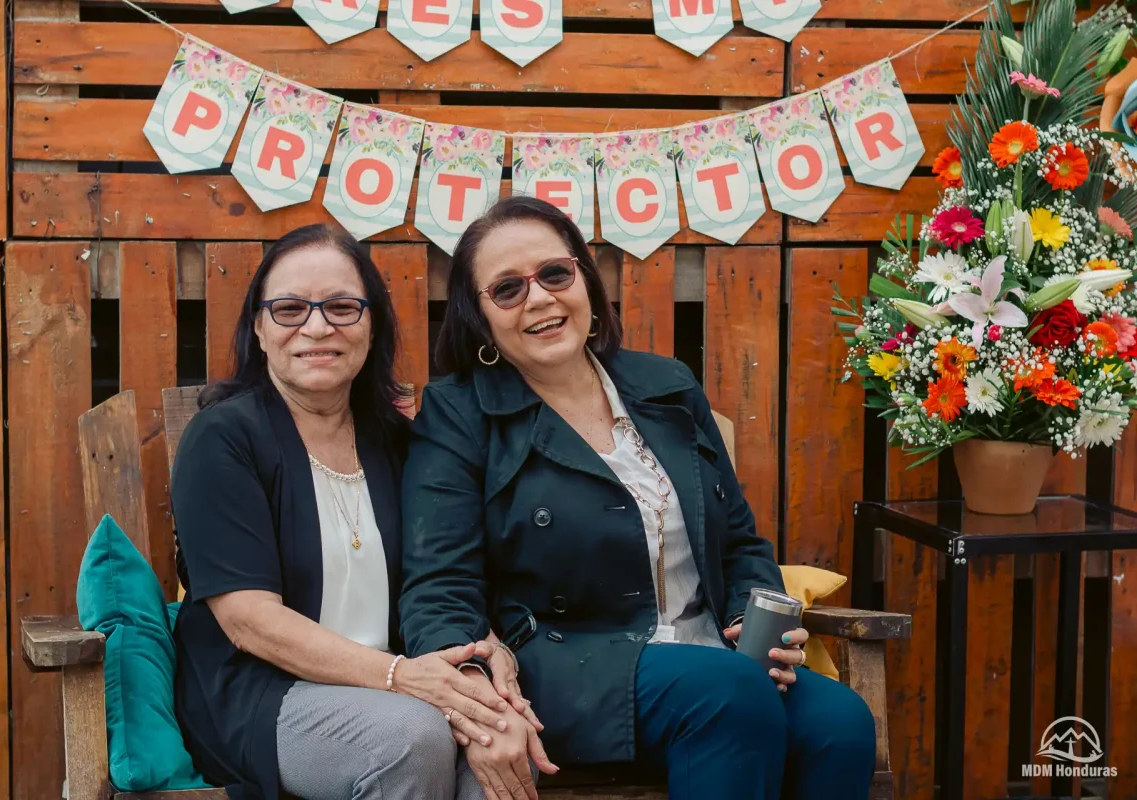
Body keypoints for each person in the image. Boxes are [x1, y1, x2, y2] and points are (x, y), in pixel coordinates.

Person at [399, 197, 876, 800]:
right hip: (564, 665)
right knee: (729, 694)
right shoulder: (457, 413)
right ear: (479, 319)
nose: (540, 299)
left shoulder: (667, 385)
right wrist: (470, 686)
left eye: (554, 274)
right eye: (507, 290)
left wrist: (747, 621)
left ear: (585, 283)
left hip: (711, 653)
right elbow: (437, 581)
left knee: (841, 723)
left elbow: (737, 539)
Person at [170, 223, 542, 800]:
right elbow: (248, 621)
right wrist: (401, 678)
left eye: (342, 307)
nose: (317, 327)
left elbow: (441, 572)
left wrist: (482, 656)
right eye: (290, 308)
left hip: (403, 680)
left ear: (372, 326)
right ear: (259, 329)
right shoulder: (223, 439)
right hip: (265, 694)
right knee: (410, 737)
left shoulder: (400, 442)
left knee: (497, 743)